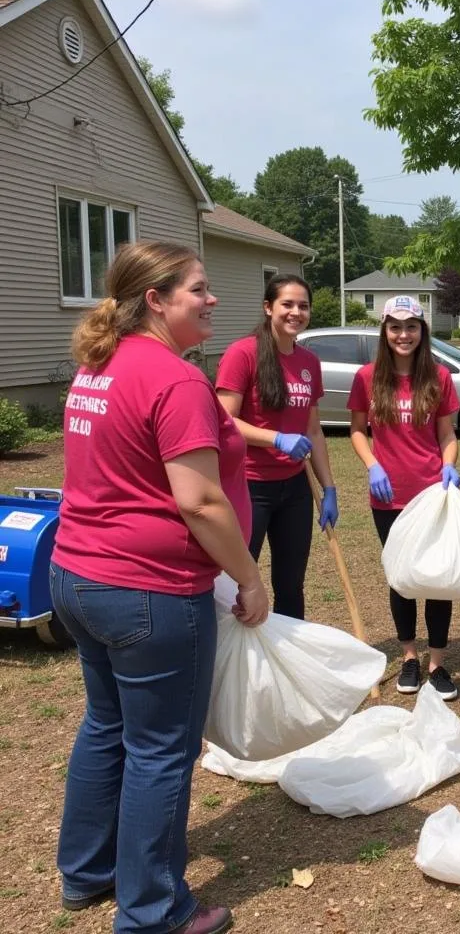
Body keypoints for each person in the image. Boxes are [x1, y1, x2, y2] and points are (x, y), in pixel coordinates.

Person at [50, 241, 269, 934]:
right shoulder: (175, 379)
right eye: (198, 290)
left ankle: (87, 874)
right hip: (150, 592)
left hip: (77, 577)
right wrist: (249, 575)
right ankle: (153, 911)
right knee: (162, 749)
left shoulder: (99, 367)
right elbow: (200, 502)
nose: (211, 301)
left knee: (107, 725)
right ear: (156, 299)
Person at [348, 295, 460, 700]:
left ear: (422, 330)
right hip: (389, 496)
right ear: (384, 331)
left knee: (437, 578)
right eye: (395, 326)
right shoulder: (367, 377)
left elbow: (447, 434)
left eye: (411, 326)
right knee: (401, 578)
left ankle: (438, 664)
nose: (403, 334)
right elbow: (358, 430)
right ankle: (410, 658)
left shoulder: (439, 377)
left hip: (432, 494)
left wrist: (448, 463)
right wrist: (372, 465)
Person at [215, 274, 337, 621]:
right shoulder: (243, 354)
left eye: (303, 305)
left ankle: (288, 659)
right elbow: (224, 421)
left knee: (291, 584)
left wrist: (329, 488)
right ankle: (236, 663)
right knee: (237, 581)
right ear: (268, 307)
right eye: (287, 304)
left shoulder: (308, 362)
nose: (295, 312)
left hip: (295, 489)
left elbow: (313, 430)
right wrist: (275, 438)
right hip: (249, 487)